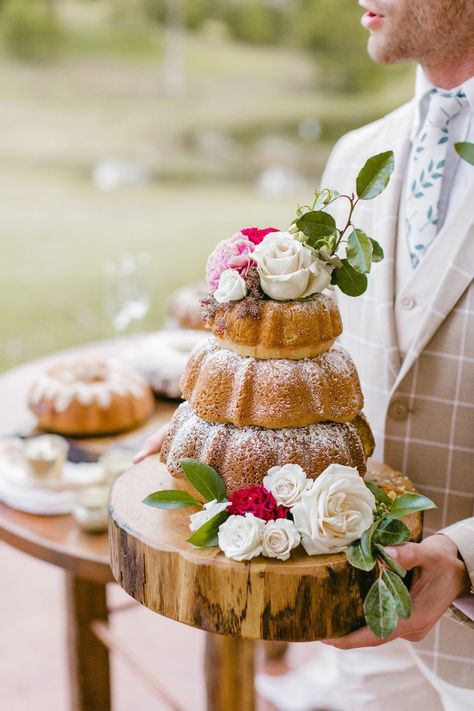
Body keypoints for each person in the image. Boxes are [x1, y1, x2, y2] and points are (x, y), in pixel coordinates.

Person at [135, 1, 474, 707]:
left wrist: (463, 557)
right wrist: (219, 434)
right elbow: (313, 369)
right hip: (360, 615)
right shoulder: (356, 159)